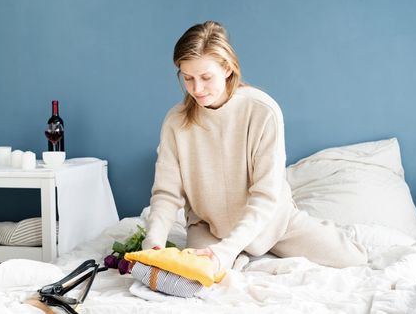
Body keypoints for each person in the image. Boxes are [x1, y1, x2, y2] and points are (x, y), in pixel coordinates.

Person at [142, 21, 367, 271]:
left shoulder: (263, 111)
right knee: (200, 277)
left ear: (227, 69)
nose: (197, 89)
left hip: (273, 224)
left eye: (206, 77)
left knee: (354, 259)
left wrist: (227, 250)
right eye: (188, 78)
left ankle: (259, 247)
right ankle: (240, 254)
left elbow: (265, 196)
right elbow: (166, 193)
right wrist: (153, 241)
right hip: (209, 227)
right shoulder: (176, 121)